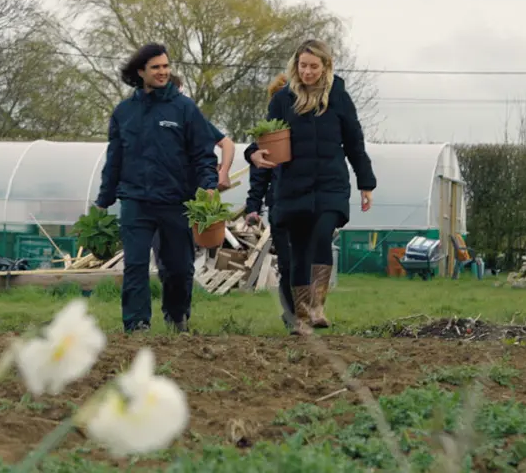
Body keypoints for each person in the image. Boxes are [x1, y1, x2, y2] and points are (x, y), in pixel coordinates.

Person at [246, 40, 376, 335]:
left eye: (313, 67)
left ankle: (317, 305)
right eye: (302, 66)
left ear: (326, 66)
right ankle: (302, 317)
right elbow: (265, 137)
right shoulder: (282, 100)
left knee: (321, 234)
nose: (307, 72)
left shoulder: (339, 97)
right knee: (299, 251)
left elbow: (354, 141)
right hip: (293, 187)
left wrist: (366, 182)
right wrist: (252, 153)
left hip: (331, 184)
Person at [95, 43, 219, 333]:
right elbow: (114, 159)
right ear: (141, 72)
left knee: (179, 267)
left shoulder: (184, 109)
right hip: (135, 200)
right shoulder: (124, 112)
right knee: (135, 264)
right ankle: (136, 323)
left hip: (175, 201)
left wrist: (209, 185)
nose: (163, 72)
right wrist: (103, 200)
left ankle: (177, 316)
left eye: (166, 66)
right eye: (156, 68)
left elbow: (203, 152)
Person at [150, 73, 234, 324]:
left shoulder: (190, 118)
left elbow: (226, 143)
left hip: (185, 201)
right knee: (164, 262)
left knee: (182, 263)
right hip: (154, 200)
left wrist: (222, 173)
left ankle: (179, 315)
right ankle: (170, 315)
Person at [244, 72, 297, 331]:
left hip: (307, 202)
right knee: (287, 261)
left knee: (305, 260)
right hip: (279, 203)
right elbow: (260, 174)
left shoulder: (308, 131)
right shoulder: (268, 136)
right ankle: (293, 315)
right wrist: (253, 207)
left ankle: (305, 310)